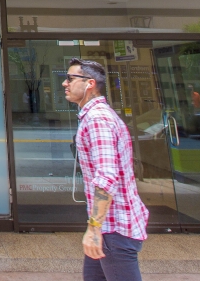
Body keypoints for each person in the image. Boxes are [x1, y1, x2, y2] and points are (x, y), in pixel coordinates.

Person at [62, 59, 148, 281]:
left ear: (90, 83)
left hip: (113, 229)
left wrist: (94, 228)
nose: (65, 83)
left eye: (71, 78)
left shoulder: (98, 119)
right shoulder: (95, 116)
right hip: (108, 228)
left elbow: (107, 177)